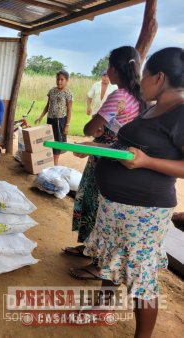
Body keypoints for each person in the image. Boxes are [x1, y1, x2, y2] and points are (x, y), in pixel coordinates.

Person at [84, 47, 184, 337]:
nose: (140, 82)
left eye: (146, 75)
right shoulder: (153, 107)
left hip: (144, 211)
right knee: (112, 257)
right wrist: (98, 150)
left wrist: (147, 162)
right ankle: (103, 307)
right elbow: (129, 148)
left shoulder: (180, 113)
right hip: (116, 205)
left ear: (160, 77)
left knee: (142, 274)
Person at [64, 46, 144, 278]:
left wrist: (92, 131)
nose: (107, 70)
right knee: (103, 208)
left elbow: (91, 127)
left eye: (109, 65)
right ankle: (91, 250)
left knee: (97, 208)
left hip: (106, 162)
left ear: (117, 69)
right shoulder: (139, 97)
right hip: (120, 162)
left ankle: (98, 265)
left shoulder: (118, 96)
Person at [35, 70, 73, 166]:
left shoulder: (68, 93)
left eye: (62, 79)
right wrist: (40, 117)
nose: (59, 81)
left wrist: (67, 125)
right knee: (49, 138)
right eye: (58, 79)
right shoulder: (52, 91)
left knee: (58, 141)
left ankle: (55, 163)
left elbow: (69, 110)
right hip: (50, 119)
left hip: (60, 120)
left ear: (66, 80)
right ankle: (50, 160)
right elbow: (47, 106)